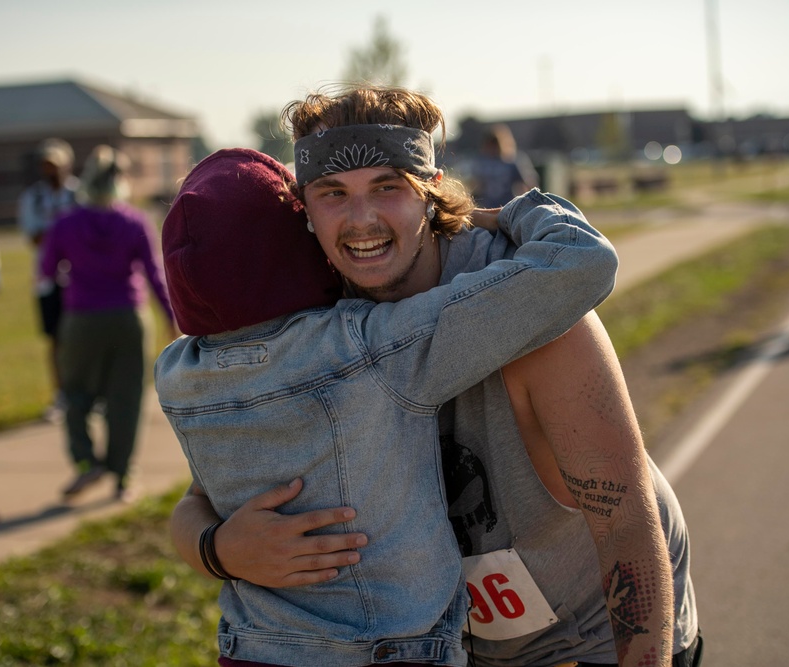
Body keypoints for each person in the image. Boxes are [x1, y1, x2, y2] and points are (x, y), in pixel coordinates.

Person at [171, 86, 701, 667]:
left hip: (603, 631)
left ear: (429, 190)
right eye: (332, 194)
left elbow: (624, 519)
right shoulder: (319, 320)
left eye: (388, 187)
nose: (361, 220)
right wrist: (219, 549)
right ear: (306, 209)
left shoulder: (524, 298)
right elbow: (198, 501)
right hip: (459, 649)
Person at [40, 145, 176, 502]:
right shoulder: (133, 221)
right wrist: (171, 318)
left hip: (82, 318)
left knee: (75, 394)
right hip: (129, 318)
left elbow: (45, 271)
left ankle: (86, 462)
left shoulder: (66, 223)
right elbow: (154, 274)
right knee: (126, 399)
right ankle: (122, 475)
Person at [18, 138, 79, 419]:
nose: (50, 170)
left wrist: (55, 231)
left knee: (80, 338)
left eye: (55, 165)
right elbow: (34, 237)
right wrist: (64, 231)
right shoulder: (33, 198)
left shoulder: (79, 193)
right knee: (55, 339)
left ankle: (86, 393)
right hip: (47, 279)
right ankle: (61, 395)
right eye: (46, 165)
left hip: (79, 277)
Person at [466, 124, 540, 208]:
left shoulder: (511, 162)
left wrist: (529, 203)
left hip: (508, 207)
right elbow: (474, 186)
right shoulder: (480, 163)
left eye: (494, 144)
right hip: (487, 208)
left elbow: (528, 183)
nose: (492, 148)